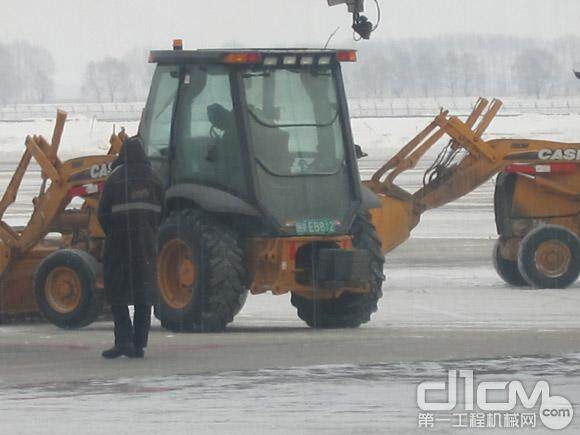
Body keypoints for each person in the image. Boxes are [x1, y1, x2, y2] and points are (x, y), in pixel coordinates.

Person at [98, 136, 164, 359]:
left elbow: (102, 213)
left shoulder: (115, 177)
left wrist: (114, 233)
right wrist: (150, 233)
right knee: (144, 296)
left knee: (117, 294)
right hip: (145, 247)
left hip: (119, 246)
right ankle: (138, 345)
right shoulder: (154, 177)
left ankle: (123, 342)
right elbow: (163, 210)